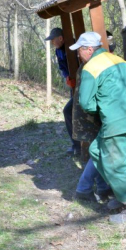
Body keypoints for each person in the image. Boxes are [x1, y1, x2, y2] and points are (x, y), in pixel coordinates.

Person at [72, 31, 126, 223]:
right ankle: (123, 196)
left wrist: (102, 107)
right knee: (96, 150)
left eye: (79, 50)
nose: (78, 54)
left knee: (115, 163)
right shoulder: (119, 60)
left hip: (115, 121)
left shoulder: (91, 67)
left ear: (88, 49)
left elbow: (86, 103)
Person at [46, 27, 80, 155]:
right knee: (71, 112)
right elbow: (62, 66)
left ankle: (81, 146)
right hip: (73, 86)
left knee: (69, 111)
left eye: (53, 40)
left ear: (60, 38)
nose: (52, 43)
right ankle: (76, 146)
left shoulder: (75, 46)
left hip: (83, 86)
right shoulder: (58, 51)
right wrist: (67, 77)